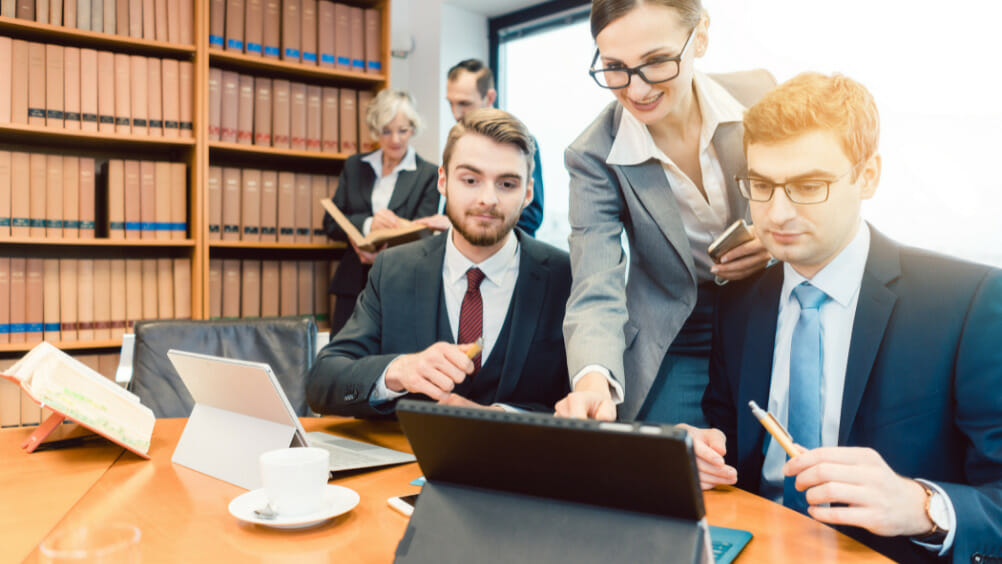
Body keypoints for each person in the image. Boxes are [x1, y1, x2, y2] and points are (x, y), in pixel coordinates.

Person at [695, 72, 1002, 563]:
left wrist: (922, 506)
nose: (776, 214)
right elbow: (730, 445)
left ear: (868, 176)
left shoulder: (966, 301)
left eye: (808, 185)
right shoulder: (735, 301)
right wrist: (697, 458)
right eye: (760, 185)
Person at [556, 0, 775, 424]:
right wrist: (591, 380)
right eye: (615, 66)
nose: (636, 90)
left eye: (656, 62)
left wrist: (773, 239)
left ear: (702, 37)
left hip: (768, 310)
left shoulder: (760, 96)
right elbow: (594, 283)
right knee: (672, 470)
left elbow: (812, 193)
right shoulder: (593, 155)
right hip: (678, 330)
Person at [307, 108, 572, 416]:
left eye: (507, 184)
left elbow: (586, 405)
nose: (488, 198)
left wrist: (506, 420)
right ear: (443, 182)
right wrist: (398, 370)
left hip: (522, 462)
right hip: (407, 461)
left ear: (528, 193)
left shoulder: (565, 277)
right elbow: (322, 381)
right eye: (471, 179)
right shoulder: (393, 270)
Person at [323, 89, 440, 335]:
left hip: (401, 283)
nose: (395, 139)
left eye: (403, 130)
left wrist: (388, 244)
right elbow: (331, 223)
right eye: (386, 131)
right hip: (352, 282)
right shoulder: (355, 165)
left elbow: (424, 235)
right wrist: (368, 225)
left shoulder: (428, 174)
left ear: (413, 129)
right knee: (341, 359)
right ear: (376, 131)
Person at [436, 59, 544, 237]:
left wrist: (472, 221)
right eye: (451, 103)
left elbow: (532, 217)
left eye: (464, 104)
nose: (455, 114)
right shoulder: (458, 141)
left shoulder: (520, 145)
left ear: (490, 97)